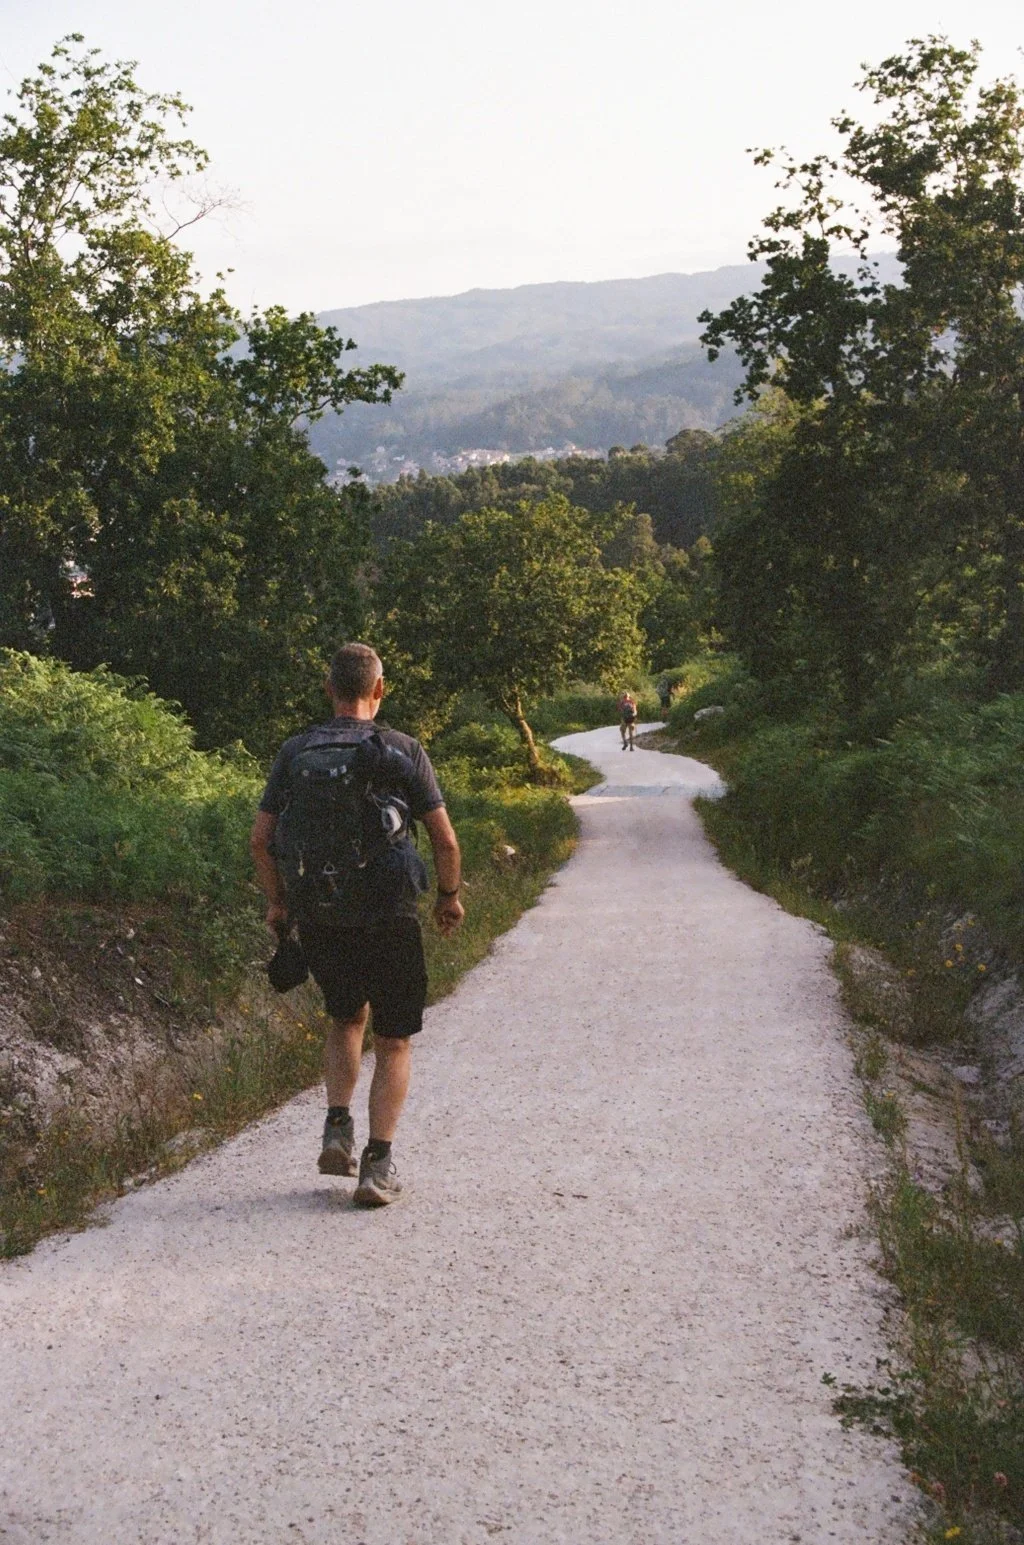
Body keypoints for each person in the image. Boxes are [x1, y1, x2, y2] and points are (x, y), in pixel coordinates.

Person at [250, 642, 464, 1206]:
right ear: (380, 690)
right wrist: (448, 897)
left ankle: (337, 1127)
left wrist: (278, 904)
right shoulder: (403, 749)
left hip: (321, 910)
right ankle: (378, 1165)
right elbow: (444, 839)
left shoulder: (296, 751)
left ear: (329, 690)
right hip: (390, 911)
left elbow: (260, 840)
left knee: (345, 1019)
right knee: (393, 1041)